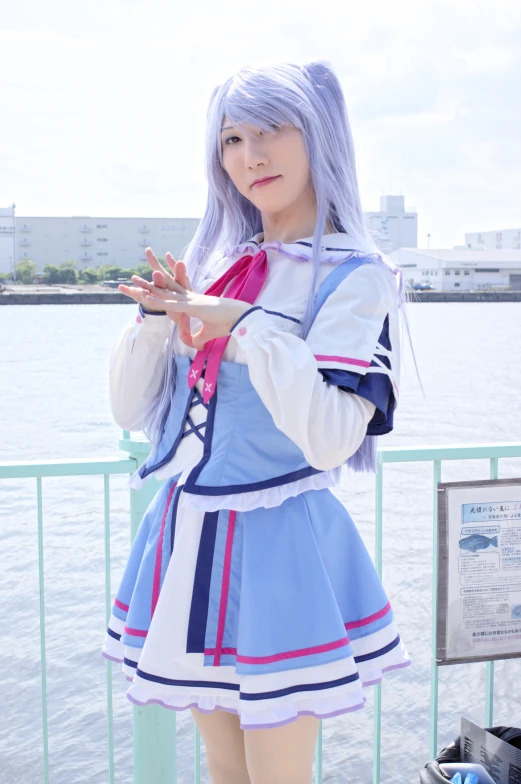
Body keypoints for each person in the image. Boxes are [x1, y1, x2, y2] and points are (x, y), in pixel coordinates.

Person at [102, 59, 414, 784]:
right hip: (189, 532)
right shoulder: (217, 264)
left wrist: (242, 326)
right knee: (221, 763)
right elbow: (129, 412)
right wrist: (158, 319)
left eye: (273, 130)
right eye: (232, 139)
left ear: (321, 136)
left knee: (278, 774)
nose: (251, 156)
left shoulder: (354, 276)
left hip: (281, 546)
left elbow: (333, 437)